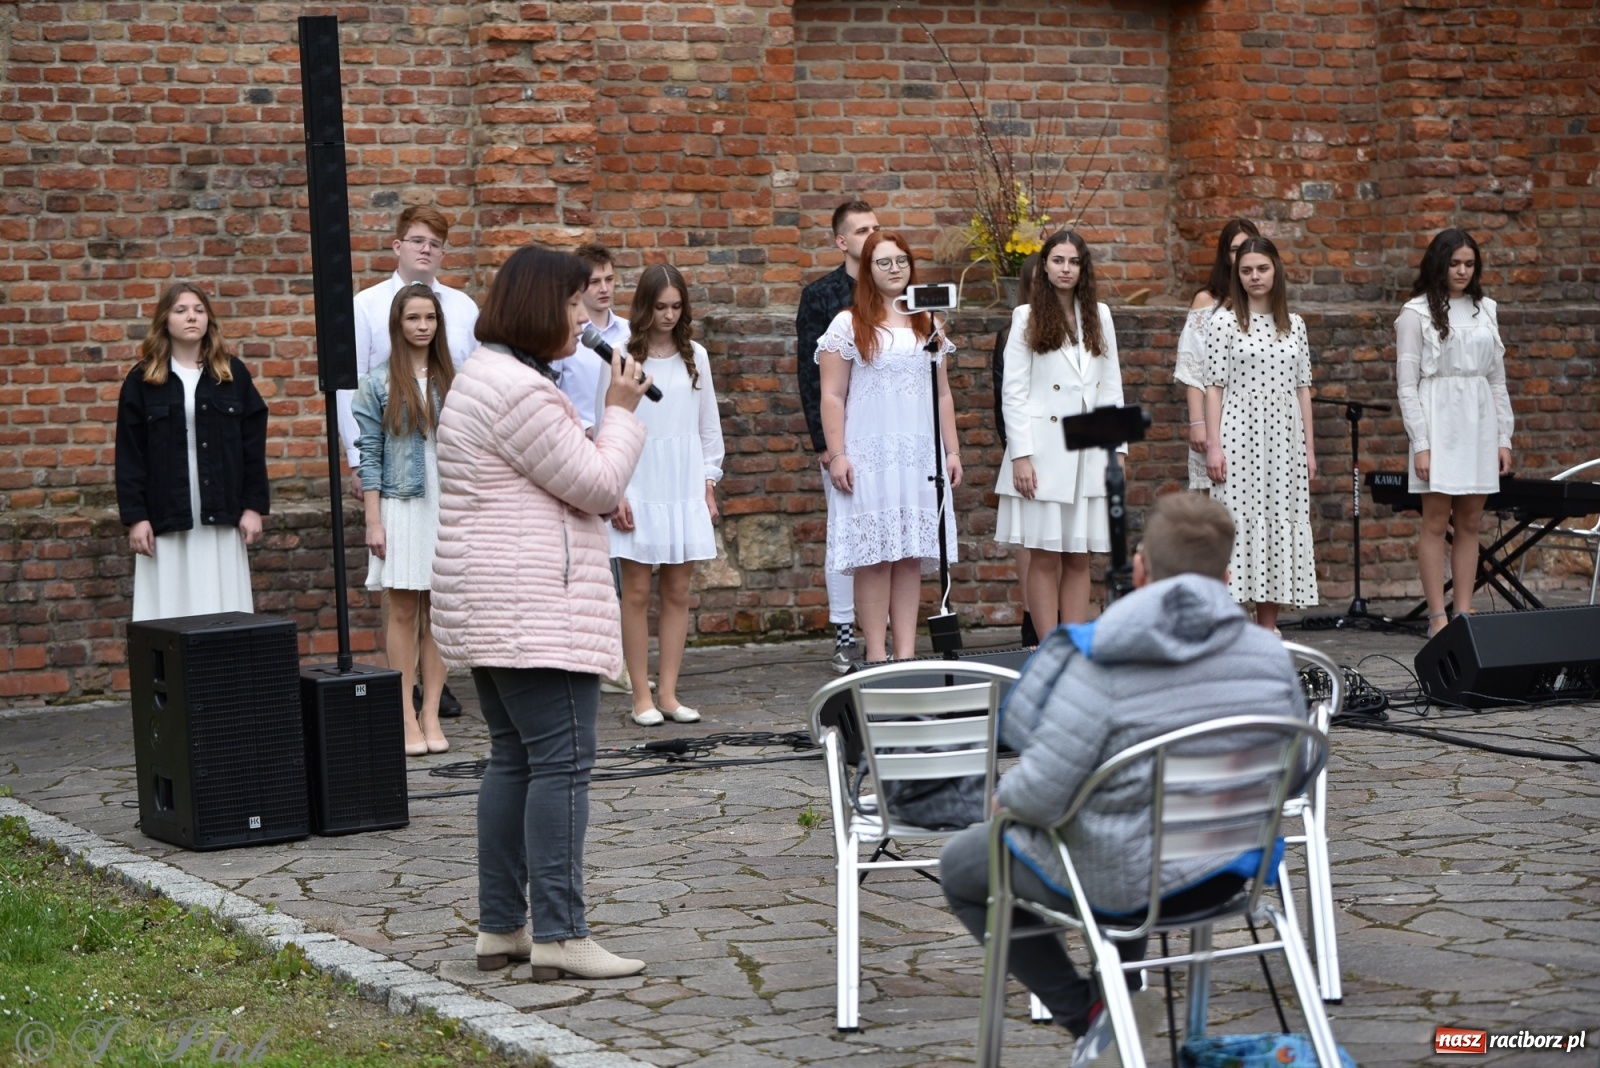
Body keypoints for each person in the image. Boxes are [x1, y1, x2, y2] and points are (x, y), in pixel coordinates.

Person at [939, 492, 1308, 1066]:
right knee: (1119, 826)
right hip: (1229, 871)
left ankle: (1089, 1009)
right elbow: (1295, 769)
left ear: (1141, 570)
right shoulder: (1269, 655)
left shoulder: (1100, 664)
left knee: (966, 863)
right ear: (1228, 574)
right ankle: (1124, 996)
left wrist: (1002, 798)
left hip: (1126, 884)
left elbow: (1040, 794)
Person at [431, 246, 651, 981]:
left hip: (498, 599)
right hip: (533, 607)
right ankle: (561, 933)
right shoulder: (519, 390)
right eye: (571, 304)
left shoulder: (485, 377)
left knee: (515, 760)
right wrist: (618, 415)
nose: (583, 318)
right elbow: (592, 481)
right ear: (536, 307)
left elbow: (549, 479)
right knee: (561, 763)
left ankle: (502, 929)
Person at [339, 205, 479, 718]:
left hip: (449, 479)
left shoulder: (462, 308)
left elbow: (475, 391)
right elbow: (351, 386)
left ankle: (433, 696)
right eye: (417, 240)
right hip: (395, 470)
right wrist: (358, 464)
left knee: (440, 602)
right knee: (403, 596)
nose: (426, 249)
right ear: (397, 246)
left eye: (436, 243)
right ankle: (405, 699)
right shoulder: (367, 305)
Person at [817, 231, 960, 663]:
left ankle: (905, 655)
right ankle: (876, 657)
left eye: (902, 260)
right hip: (869, 454)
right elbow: (832, 395)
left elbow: (943, 394)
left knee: (911, 555)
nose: (896, 268)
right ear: (867, 270)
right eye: (884, 262)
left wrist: (951, 451)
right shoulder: (848, 324)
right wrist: (838, 453)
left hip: (918, 455)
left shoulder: (928, 323)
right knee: (875, 556)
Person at [602, 264, 726, 727]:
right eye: (661, 307)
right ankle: (640, 696)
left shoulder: (697, 355)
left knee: (677, 592)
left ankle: (670, 694)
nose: (669, 315)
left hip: (683, 483)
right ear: (645, 307)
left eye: (677, 307)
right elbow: (607, 422)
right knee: (634, 592)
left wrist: (708, 483)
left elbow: (708, 429)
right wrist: (616, 490)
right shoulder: (622, 357)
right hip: (637, 480)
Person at [995, 231, 1127, 631]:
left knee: (1080, 555)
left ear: (1082, 268)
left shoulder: (1100, 315)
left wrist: (1117, 451)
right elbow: (1013, 392)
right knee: (1044, 554)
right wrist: (1020, 455)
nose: (1065, 268)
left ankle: (1074, 646)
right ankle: (1047, 644)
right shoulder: (1026, 317)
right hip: (1042, 451)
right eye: (1057, 260)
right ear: (1045, 265)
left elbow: (1111, 385)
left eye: (1073, 261)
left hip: (1088, 451)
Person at [116, 283, 268, 622]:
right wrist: (136, 516)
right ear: (164, 320)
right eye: (181, 310)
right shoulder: (142, 380)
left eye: (199, 310)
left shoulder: (231, 375)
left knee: (222, 605)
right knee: (169, 608)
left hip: (221, 508)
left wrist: (253, 507)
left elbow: (252, 448)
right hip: (166, 511)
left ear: (208, 320)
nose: (191, 317)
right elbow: (130, 454)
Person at [353, 284, 456, 757]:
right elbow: (368, 457)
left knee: (440, 612)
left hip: (448, 502)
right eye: (413, 318)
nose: (422, 326)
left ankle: (432, 712)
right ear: (398, 324)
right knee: (403, 609)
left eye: (429, 318)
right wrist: (373, 521)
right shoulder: (377, 382)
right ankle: (403, 715)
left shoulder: (454, 379)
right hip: (402, 501)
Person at [1395, 229, 1514, 635]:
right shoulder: (1415, 313)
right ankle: (1437, 616)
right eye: (1454, 263)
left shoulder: (1486, 309)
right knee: (1434, 521)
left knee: (1470, 521)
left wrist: (1503, 437)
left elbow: (1497, 379)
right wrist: (1421, 444)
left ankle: (1464, 611)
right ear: (1439, 264)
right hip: (1438, 420)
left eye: (1469, 264)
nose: (1462, 271)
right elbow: (1407, 385)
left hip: (1478, 421)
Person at [1204, 235, 1319, 632]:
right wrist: (1214, 447)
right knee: (1237, 526)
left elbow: (1303, 388)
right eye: (1247, 270)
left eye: (1262, 268)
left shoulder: (1296, 325)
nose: (1255, 276)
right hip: (1239, 436)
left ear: (1276, 270)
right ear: (1238, 274)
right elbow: (1214, 387)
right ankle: (1234, 630)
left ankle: (1269, 629)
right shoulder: (1223, 321)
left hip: (1284, 441)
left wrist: (1308, 448)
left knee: (1276, 524)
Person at [797, 199, 881, 672]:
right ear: (841, 240)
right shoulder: (822, 295)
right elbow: (811, 380)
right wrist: (827, 447)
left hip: (889, 432)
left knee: (887, 534)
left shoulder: (896, 288)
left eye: (877, 227)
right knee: (845, 532)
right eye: (862, 229)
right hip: (844, 434)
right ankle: (845, 634)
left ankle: (883, 636)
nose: (872, 235)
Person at [562, 243, 642, 698]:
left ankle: (619, 661)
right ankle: (593, 661)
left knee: (623, 564)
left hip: (620, 448)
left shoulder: (629, 334)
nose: (605, 288)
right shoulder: (567, 338)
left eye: (611, 279)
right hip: (578, 451)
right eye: (595, 282)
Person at [1175, 219, 1259, 490]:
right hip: (1217, 420)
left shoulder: (1265, 303)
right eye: (1236, 250)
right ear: (1225, 254)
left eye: (1247, 248)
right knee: (1215, 503)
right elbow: (1191, 367)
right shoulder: (1207, 301)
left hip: (1258, 417)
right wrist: (1197, 422)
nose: (1242, 255)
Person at [991, 252, 1040, 646]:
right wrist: (1018, 451)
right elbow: (1004, 397)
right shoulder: (1012, 332)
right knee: (1028, 538)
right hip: (1026, 448)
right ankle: (1031, 615)